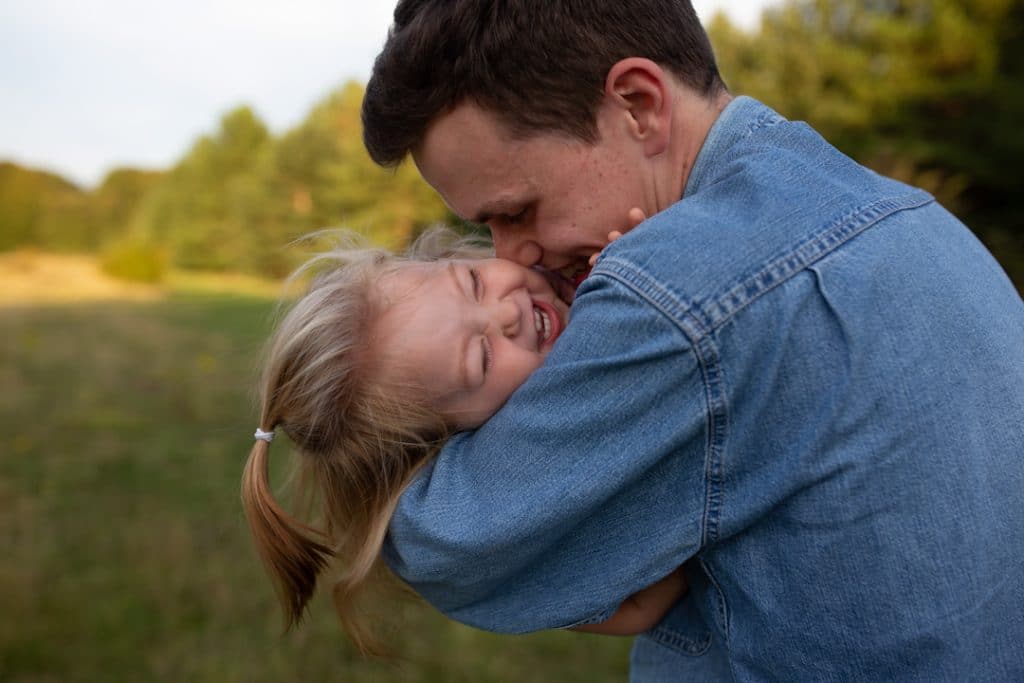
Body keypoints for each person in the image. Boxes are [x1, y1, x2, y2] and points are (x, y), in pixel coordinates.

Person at [360, 1, 1024, 680]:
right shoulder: (908, 214)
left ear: (639, 105)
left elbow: (452, 544)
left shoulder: (671, 294)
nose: (515, 255)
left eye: (515, 211)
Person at [240, 228, 684, 654]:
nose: (507, 313)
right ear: (455, 446)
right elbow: (639, 609)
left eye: (472, 282)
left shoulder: (573, 254)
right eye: (482, 358)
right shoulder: (527, 479)